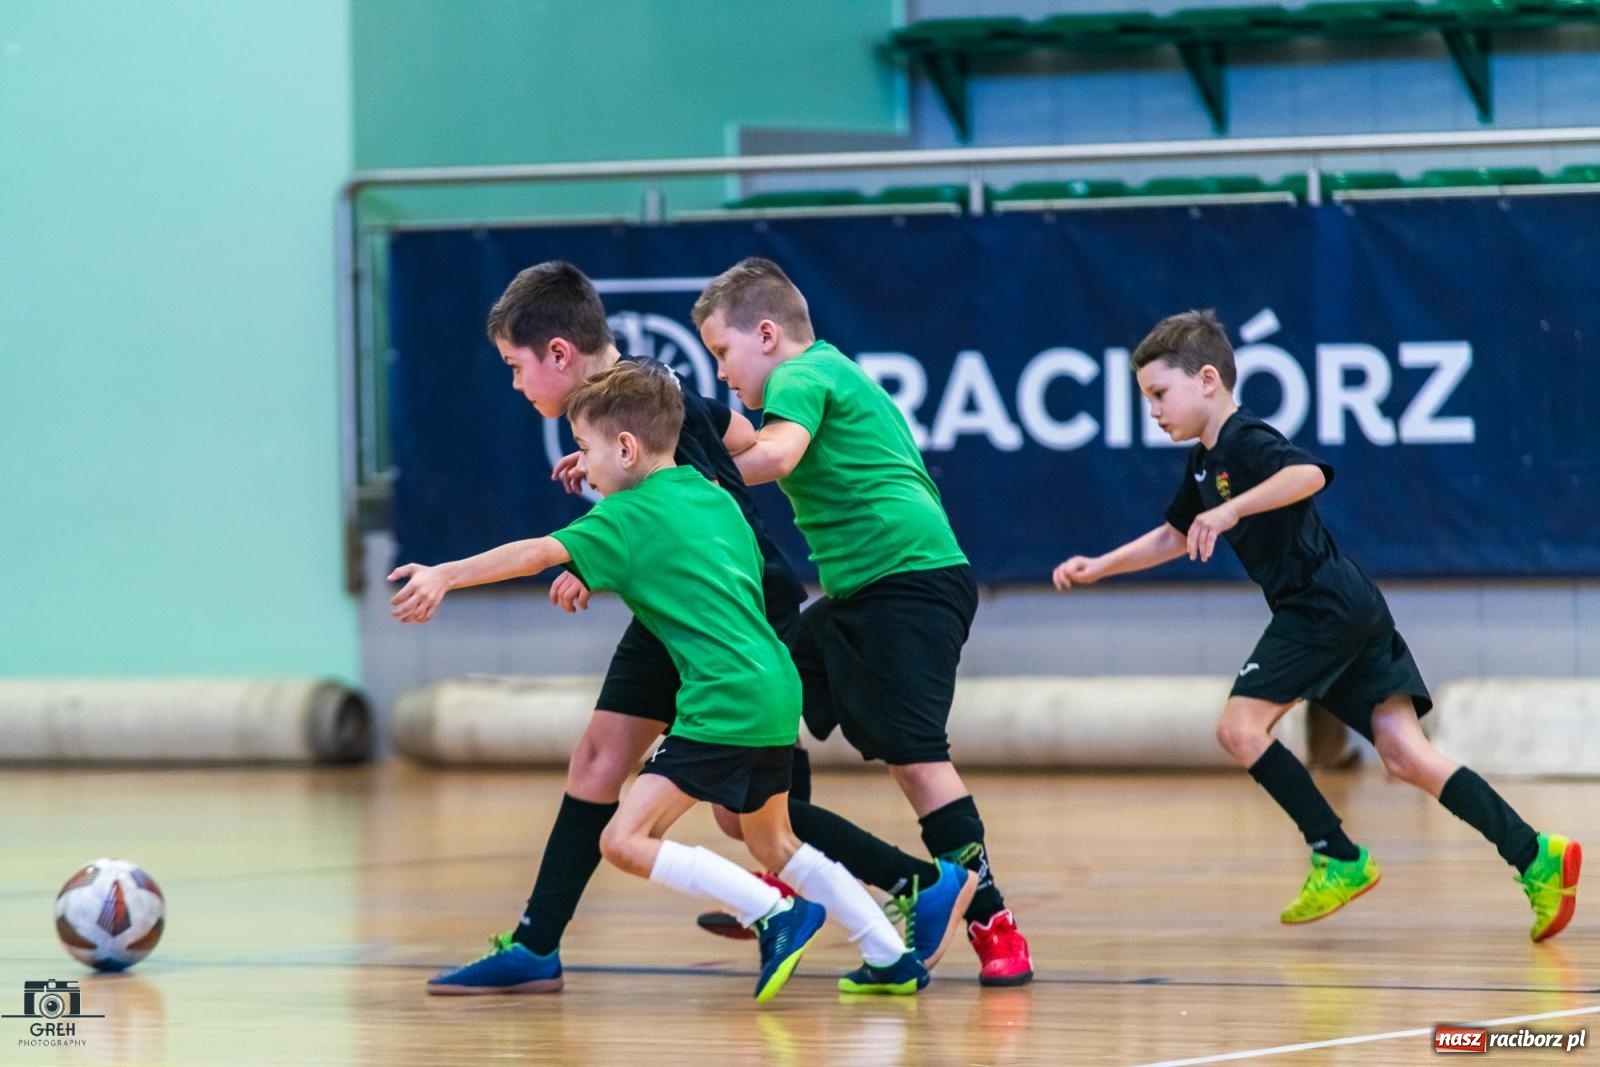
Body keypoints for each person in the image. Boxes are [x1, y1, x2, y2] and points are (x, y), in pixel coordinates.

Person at [420, 262, 971, 994]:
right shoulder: (650, 407)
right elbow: (730, 445)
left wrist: (594, 546)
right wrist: (608, 541)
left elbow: (725, 469)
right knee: (648, 780)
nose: (516, 384)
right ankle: (538, 941)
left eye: (516, 367)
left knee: (725, 814)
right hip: (698, 605)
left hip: (730, 608)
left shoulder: (657, 404)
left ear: (559, 353)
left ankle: (881, 887)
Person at [1051, 308, 1580, 941]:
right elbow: (1173, 534)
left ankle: (1337, 854)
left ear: (1208, 380)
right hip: (1347, 606)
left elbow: (1308, 474)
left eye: (1160, 393)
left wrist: (1231, 512)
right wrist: (1100, 566)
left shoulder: (1245, 439)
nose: (1154, 410)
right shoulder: (1203, 464)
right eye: (1147, 399)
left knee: (1239, 728)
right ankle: (1536, 855)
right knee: (1405, 754)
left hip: (1319, 605)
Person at [692, 258, 1034, 986]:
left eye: (722, 351)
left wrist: (668, 469)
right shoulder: (823, 372)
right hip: (862, 594)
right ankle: (791, 873)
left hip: (908, 582)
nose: (720, 371)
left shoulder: (800, 375)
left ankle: (994, 924)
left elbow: (774, 454)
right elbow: (746, 444)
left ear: (766, 334)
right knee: (758, 715)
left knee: (916, 761)